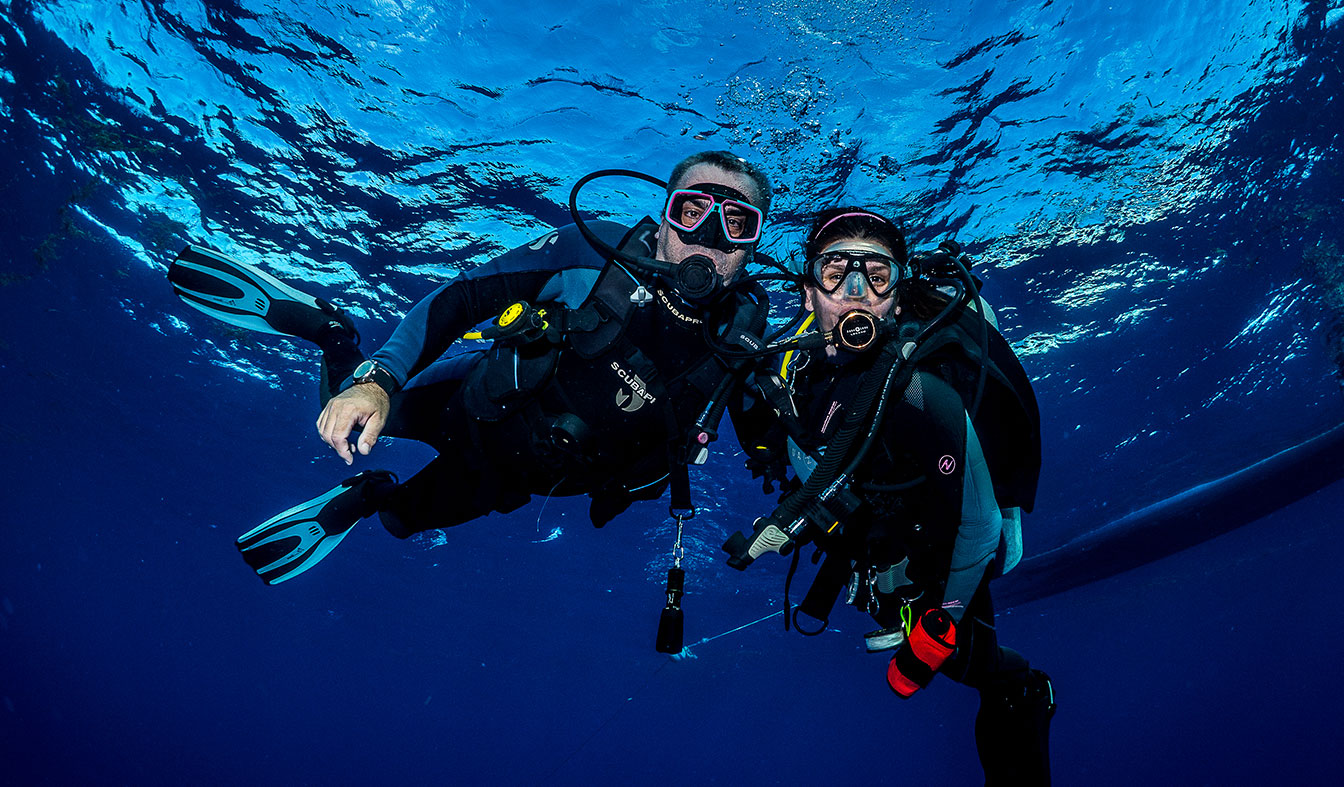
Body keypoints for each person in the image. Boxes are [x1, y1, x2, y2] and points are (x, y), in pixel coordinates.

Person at [167, 151, 773, 585]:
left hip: (519, 479)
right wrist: (378, 382)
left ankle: (368, 492)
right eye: (692, 211)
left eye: (736, 223)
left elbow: (778, 442)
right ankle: (332, 336)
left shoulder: (744, 345)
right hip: (467, 401)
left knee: (401, 522)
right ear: (666, 216)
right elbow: (461, 300)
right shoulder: (592, 253)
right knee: (341, 407)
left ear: (751, 246)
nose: (709, 238)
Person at [724, 208, 1054, 784]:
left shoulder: (926, 396)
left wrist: (942, 622)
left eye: (876, 275)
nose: (855, 292)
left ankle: (1029, 694)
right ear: (807, 293)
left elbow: (978, 529)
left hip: (942, 559)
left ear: (897, 299)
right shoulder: (780, 375)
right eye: (835, 272)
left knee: (980, 674)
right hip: (869, 550)